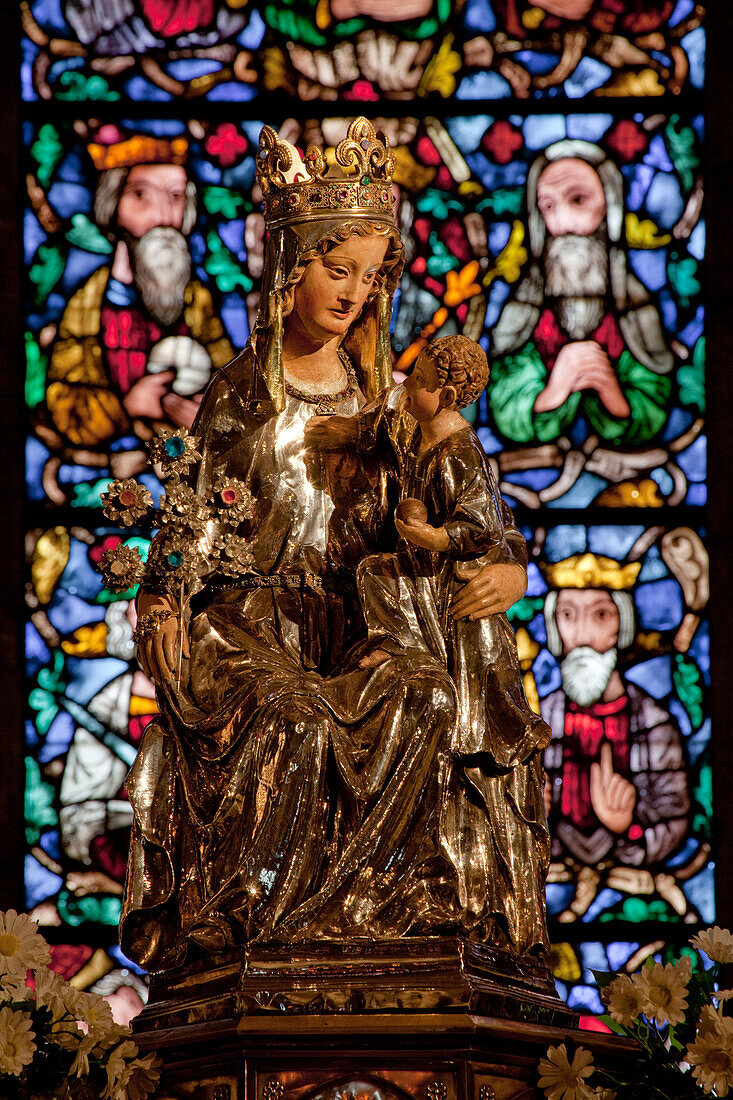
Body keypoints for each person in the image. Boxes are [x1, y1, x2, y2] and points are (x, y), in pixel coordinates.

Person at [120, 119, 531, 970]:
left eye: (368, 275)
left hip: (361, 619)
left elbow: (468, 488)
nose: (351, 292)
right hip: (250, 626)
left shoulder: (387, 398)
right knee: (296, 717)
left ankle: (383, 917)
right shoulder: (241, 394)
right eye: (334, 269)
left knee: (421, 692)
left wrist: (502, 562)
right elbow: (185, 528)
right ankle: (273, 936)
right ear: (290, 268)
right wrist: (162, 599)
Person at [337, 334, 551, 954]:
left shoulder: (449, 442)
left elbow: (485, 523)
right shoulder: (408, 421)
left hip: (442, 598)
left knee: (444, 714)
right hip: (329, 609)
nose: (405, 382)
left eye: (370, 274)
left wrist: (506, 564)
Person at [45, 127, 233, 467]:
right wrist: (128, 406)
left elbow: (231, 383)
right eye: (141, 195)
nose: (162, 215)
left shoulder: (198, 299)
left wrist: (204, 412)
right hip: (112, 472)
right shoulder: (89, 302)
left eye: (175, 197)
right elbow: (65, 403)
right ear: (111, 204)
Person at [488, 140, 674, 445]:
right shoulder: (524, 310)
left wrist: (613, 394)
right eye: (548, 206)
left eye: (578, 199)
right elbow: (504, 400)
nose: (563, 224)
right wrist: (552, 392)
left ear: (609, 206)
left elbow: (655, 396)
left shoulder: (636, 310)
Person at [540, 553, 691, 921]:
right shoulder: (536, 720)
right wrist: (533, 815)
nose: (583, 635)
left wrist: (630, 826)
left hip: (631, 888)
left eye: (601, 615)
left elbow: (675, 813)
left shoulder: (655, 723)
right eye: (568, 615)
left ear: (622, 625)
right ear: (554, 627)